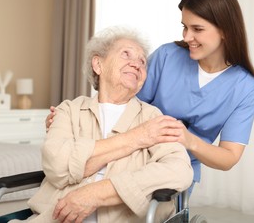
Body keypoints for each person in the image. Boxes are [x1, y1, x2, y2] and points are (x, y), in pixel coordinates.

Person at [46, 0, 254, 194]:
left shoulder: (245, 87)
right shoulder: (168, 56)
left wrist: (188, 140)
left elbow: (229, 157)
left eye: (197, 29)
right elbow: (119, 100)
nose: (187, 37)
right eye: (184, 27)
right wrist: (71, 122)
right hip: (128, 151)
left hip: (172, 163)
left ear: (225, 30)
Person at [23, 26, 193, 223]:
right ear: (98, 64)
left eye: (142, 61)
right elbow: (57, 167)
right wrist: (137, 138)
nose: (136, 64)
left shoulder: (153, 118)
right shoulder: (68, 110)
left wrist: (96, 193)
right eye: (126, 54)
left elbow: (178, 170)